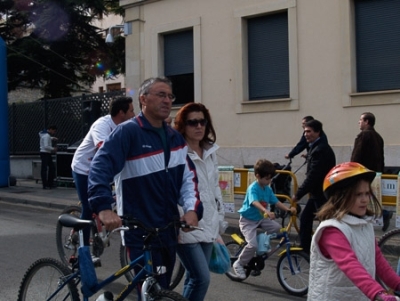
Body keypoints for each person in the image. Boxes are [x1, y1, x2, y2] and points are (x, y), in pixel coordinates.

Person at [87, 77, 203, 289]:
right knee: (149, 290)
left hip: (167, 230)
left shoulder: (175, 139)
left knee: (163, 289)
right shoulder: (127, 132)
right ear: (143, 99)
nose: (167, 100)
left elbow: (188, 180)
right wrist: (103, 208)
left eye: (170, 96)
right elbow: (100, 167)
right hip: (138, 230)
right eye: (161, 95)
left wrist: (192, 210)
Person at [308, 162, 400, 301]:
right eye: (358, 195)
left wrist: (398, 284)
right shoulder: (332, 230)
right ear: (340, 197)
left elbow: (379, 261)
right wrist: (379, 294)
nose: (365, 200)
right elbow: (350, 265)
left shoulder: (365, 225)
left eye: (367, 193)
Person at [173, 103, 224, 301]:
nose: (198, 126)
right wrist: (178, 221)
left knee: (193, 277)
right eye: (192, 122)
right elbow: (173, 191)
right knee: (201, 278)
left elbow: (215, 189)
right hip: (187, 225)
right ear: (183, 125)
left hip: (209, 223)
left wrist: (219, 219)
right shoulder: (177, 153)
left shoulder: (210, 151)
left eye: (202, 121)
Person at [71, 96, 135, 252]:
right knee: (88, 206)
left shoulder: (126, 126)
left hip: (106, 170)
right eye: (132, 111)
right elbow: (104, 150)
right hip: (84, 169)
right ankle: (83, 249)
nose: (134, 114)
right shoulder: (102, 125)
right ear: (121, 113)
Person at [233, 159, 297, 279]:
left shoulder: (268, 189)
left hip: (261, 219)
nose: (269, 181)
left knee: (277, 228)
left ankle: (260, 248)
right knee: (252, 245)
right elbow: (255, 202)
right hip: (248, 220)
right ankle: (239, 263)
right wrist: (266, 211)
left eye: (270, 178)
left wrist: (287, 209)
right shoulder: (253, 188)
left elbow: (276, 201)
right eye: (267, 178)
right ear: (257, 176)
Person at [291, 119, 336, 253]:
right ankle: (306, 248)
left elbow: (314, 175)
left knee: (327, 223)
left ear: (318, 132)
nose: (306, 134)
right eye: (305, 131)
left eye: (309, 131)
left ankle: (332, 250)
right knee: (306, 219)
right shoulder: (316, 147)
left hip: (322, 193)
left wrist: (298, 194)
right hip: (317, 193)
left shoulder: (320, 149)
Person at [350, 112, 391, 231]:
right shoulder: (378, 137)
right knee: (370, 198)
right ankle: (383, 214)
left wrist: (352, 170)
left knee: (359, 198)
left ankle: (378, 215)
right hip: (375, 173)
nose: (359, 122)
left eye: (361, 120)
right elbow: (381, 158)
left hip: (362, 173)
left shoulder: (363, 135)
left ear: (367, 121)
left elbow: (356, 155)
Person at [39, 125, 58, 189]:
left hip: (45, 153)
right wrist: (53, 149)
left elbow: (46, 139)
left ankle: (47, 183)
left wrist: (52, 138)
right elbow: (46, 146)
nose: (54, 132)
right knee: (47, 168)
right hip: (45, 153)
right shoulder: (47, 136)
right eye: (54, 131)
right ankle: (47, 184)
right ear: (50, 129)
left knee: (47, 168)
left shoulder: (44, 134)